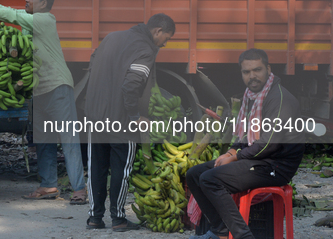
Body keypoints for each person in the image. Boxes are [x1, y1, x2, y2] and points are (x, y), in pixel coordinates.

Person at [0, 0, 87, 205]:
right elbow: (5, 9)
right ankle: (48, 185)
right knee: (44, 140)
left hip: (58, 87)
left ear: (43, 4)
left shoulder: (45, 20)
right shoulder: (30, 21)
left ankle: (80, 190)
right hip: (40, 90)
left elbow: (11, 15)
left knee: (68, 139)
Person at [186, 48, 305, 239]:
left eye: (257, 70)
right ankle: (220, 231)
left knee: (211, 179)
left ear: (268, 69)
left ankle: (243, 236)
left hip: (276, 165)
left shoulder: (279, 99)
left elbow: (269, 144)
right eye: (246, 72)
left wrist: (236, 157)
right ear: (241, 73)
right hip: (258, 158)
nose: (252, 76)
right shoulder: (252, 96)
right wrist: (232, 150)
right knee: (194, 174)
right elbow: (246, 134)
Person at [84, 13, 175, 232]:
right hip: (121, 119)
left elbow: (93, 62)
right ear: (158, 31)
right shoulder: (145, 50)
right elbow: (131, 85)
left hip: (95, 115)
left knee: (96, 165)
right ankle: (118, 219)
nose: (165, 43)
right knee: (120, 169)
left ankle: (94, 218)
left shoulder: (111, 37)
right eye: (167, 38)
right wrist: (135, 117)